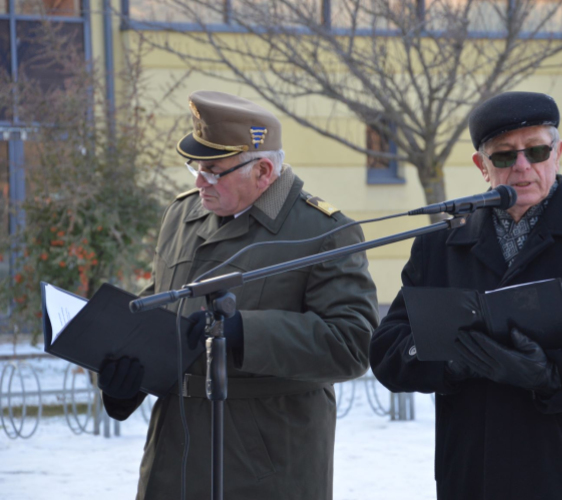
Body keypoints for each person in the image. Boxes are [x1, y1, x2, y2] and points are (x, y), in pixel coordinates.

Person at [370, 91, 562, 500]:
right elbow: (388, 351)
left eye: (537, 151)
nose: (523, 166)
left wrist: (553, 373)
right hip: (472, 477)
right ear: (482, 166)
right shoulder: (439, 245)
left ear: (558, 153)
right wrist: (452, 360)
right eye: (505, 156)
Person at [97, 91, 379, 500]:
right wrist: (123, 380)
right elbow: (159, 304)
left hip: (265, 460)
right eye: (195, 167)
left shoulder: (322, 231)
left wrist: (246, 332)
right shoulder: (182, 215)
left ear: (263, 170)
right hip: (174, 454)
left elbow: (353, 343)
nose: (198, 182)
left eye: (213, 171)